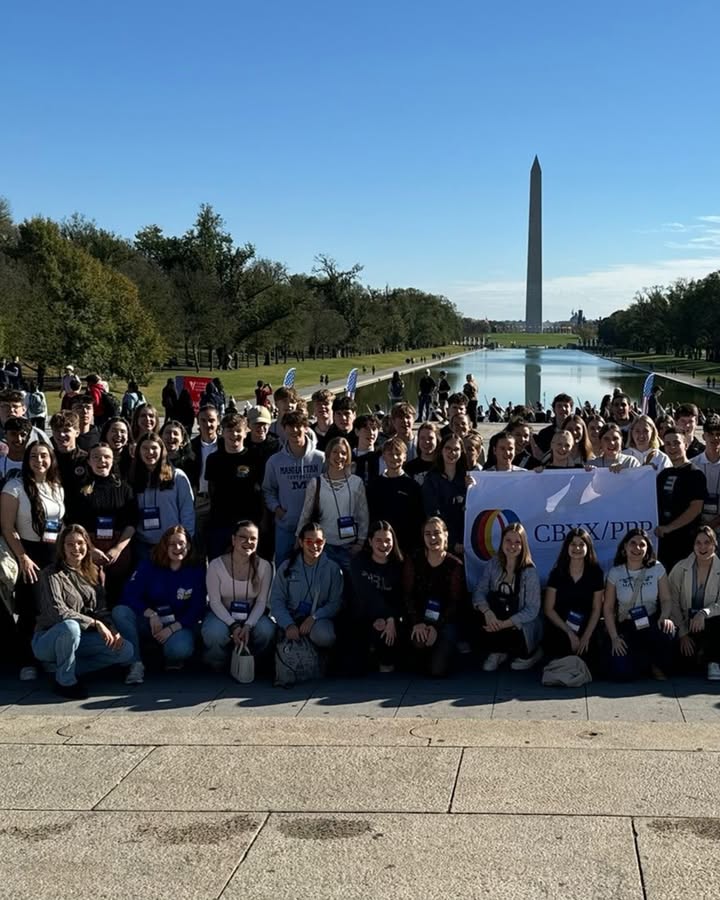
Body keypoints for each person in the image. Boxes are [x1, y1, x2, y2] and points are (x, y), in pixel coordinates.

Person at [32, 525, 134, 698]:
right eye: (70, 544)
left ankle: (63, 668)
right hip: (48, 639)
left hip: (81, 638)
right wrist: (94, 623)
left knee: (125, 650)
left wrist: (112, 629)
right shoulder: (50, 574)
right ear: (62, 547)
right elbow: (57, 611)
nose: (76, 548)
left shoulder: (95, 572)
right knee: (70, 626)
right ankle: (66, 682)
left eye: (80, 543)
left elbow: (101, 610)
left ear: (87, 545)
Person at [0, 442, 65, 680]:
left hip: (52, 552)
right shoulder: (14, 487)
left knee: (50, 607)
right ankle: (26, 661)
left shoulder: (56, 487)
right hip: (28, 553)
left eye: (44, 455)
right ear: (27, 461)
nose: (39, 460)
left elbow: (60, 523)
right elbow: (8, 527)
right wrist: (23, 557)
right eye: (34, 456)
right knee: (30, 609)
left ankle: (46, 656)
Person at [112, 526, 206, 683]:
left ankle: (171, 658)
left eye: (181, 543)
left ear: (188, 546)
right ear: (164, 546)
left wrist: (172, 628)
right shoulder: (149, 565)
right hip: (149, 621)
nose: (177, 548)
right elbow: (129, 594)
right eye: (172, 544)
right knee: (120, 612)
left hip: (178, 624)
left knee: (179, 649)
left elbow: (197, 608)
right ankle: (134, 664)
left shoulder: (196, 571)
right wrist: (150, 613)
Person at [201, 520, 275, 670]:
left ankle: (253, 662)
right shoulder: (216, 565)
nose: (249, 542)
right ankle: (217, 662)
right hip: (222, 613)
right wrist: (233, 625)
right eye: (243, 537)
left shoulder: (265, 566)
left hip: (252, 614)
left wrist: (248, 625)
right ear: (233, 539)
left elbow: (261, 602)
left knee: (266, 630)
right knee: (213, 632)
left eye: (253, 538)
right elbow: (214, 602)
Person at [603, 528, 676, 680]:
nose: (637, 548)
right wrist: (614, 637)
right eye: (633, 543)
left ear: (647, 548)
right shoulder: (615, 573)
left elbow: (666, 599)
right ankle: (645, 663)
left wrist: (665, 616)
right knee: (621, 672)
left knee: (668, 631)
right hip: (627, 625)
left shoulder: (657, 568)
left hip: (652, 622)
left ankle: (651, 663)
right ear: (625, 547)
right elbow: (608, 608)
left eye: (642, 544)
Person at [472, 522, 543, 671]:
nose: (512, 546)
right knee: (475, 615)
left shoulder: (529, 572)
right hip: (496, 618)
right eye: (508, 541)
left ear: (523, 545)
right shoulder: (493, 564)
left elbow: (532, 609)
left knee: (519, 643)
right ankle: (499, 652)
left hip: (517, 624)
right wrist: (487, 612)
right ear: (502, 542)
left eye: (517, 542)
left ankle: (532, 654)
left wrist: (504, 624)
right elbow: (479, 591)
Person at [73, 442, 136, 605]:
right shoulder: (80, 489)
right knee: (92, 597)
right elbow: (75, 525)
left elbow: (131, 523)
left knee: (119, 597)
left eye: (106, 457)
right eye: (96, 457)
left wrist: (117, 549)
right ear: (89, 462)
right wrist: (91, 549)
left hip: (119, 550)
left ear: (113, 460)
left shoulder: (124, 488)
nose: (102, 461)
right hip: (89, 548)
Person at [403, 516, 466, 677]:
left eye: (437, 533)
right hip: (419, 618)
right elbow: (407, 595)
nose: (432, 538)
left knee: (437, 671)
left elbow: (455, 602)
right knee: (417, 650)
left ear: (445, 534)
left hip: (445, 621)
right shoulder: (414, 559)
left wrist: (436, 627)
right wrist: (417, 623)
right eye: (428, 534)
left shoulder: (455, 565)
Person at [263, 410, 325, 566]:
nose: (294, 430)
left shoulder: (321, 459)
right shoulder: (274, 461)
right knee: (284, 569)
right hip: (286, 526)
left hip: (313, 529)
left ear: (306, 427)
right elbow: (268, 490)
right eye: (290, 426)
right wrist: (277, 509)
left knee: (313, 569)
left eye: (298, 426)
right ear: (284, 429)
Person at [297, 436, 368, 572]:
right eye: (335, 452)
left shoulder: (356, 482)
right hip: (323, 546)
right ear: (328, 454)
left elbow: (363, 514)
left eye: (343, 453)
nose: (339, 456)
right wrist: (298, 541)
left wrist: (360, 542)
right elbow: (305, 514)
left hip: (349, 547)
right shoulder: (315, 483)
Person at [270, 522, 343, 652]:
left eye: (319, 541)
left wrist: (315, 617)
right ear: (301, 542)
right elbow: (277, 600)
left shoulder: (333, 569)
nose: (314, 546)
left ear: (324, 542)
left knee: (325, 636)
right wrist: (288, 624)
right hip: (290, 617)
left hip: (318, 620)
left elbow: (335, 603)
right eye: (309, 541)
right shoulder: (287, 567)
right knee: (270, 632)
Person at [350, 521, 405, 673]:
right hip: (363, 617)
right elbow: (366, 594)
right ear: (370, 541)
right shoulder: (359, 562)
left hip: (389, 621)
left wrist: (392, 619)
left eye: (388, 540)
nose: (384, 545)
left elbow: (401, 598)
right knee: (354, 668)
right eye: (378, 540)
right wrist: (385, 616)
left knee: (388, 649)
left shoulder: (399, 565)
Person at [543, 528, 605, 665]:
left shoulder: (596, 573)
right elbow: (548, 609)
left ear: (588, 547)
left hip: (587, 626)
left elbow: (596, 609)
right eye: (573, 544)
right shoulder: (557, 573)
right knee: (560, 658)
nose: (577, 548)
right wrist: (569, 633)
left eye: (582, 544)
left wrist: (586, 636)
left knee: (590, 662)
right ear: (567, 547)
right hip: (561, 626)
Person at [130, 431, 195, 557]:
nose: (150, 452)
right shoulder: (133, 477)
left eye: (154, 448)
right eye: (145, 448)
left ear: (162, 450)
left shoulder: (177, 476)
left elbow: (187, 511)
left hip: (171, 544)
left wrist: (186, 540)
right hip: (142, 543)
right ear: (138, 451)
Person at [668, 526, 720, 681]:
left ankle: (714, 662)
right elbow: (671, 601)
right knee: (684, 665)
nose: (702, 547)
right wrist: (683, 633)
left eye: (707, 542)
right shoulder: (680, 568)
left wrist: (704, 613)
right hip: (685, 624)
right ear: (693, 545)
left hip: (711, 624)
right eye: (698, 543)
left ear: (715, 544)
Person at [655, 428, 706, 570]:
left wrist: (669, 528)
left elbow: (696, 508)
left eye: (676, 443)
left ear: (686, 445)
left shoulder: (695, 474)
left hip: (685, 543)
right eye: (668, 444)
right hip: (663, 544)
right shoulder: (663, 475)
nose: (672, 447)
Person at [366, 437, 423, 554]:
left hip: (405, 547)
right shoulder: (374, 485)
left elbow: (418, 518)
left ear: (405, 457)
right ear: (383, 456)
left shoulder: (413, 486)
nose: (394, 457)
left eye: (398, 454)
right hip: (380, 547)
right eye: (390, 454)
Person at [422, 433, 467, 555]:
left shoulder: (467, 478)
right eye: (448, 448)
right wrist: (451, 542)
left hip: (465, 542)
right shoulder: (431, 479)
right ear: (441, 450)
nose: (452, 452)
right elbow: (432, 512)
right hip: (440, 542)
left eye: (456, 449)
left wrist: (473, 489)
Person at [693, 416, 720, 532]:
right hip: (697, 529)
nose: (715, 438)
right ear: (704, 436)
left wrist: (712, 524)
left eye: (718, 434)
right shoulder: (693, 464)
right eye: (710, 434)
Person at [406, 422, 440, 486]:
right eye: (422, 438)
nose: (426, 441)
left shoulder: (444, 466)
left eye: (430, 438)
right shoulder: (409, 468)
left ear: (437, 440)